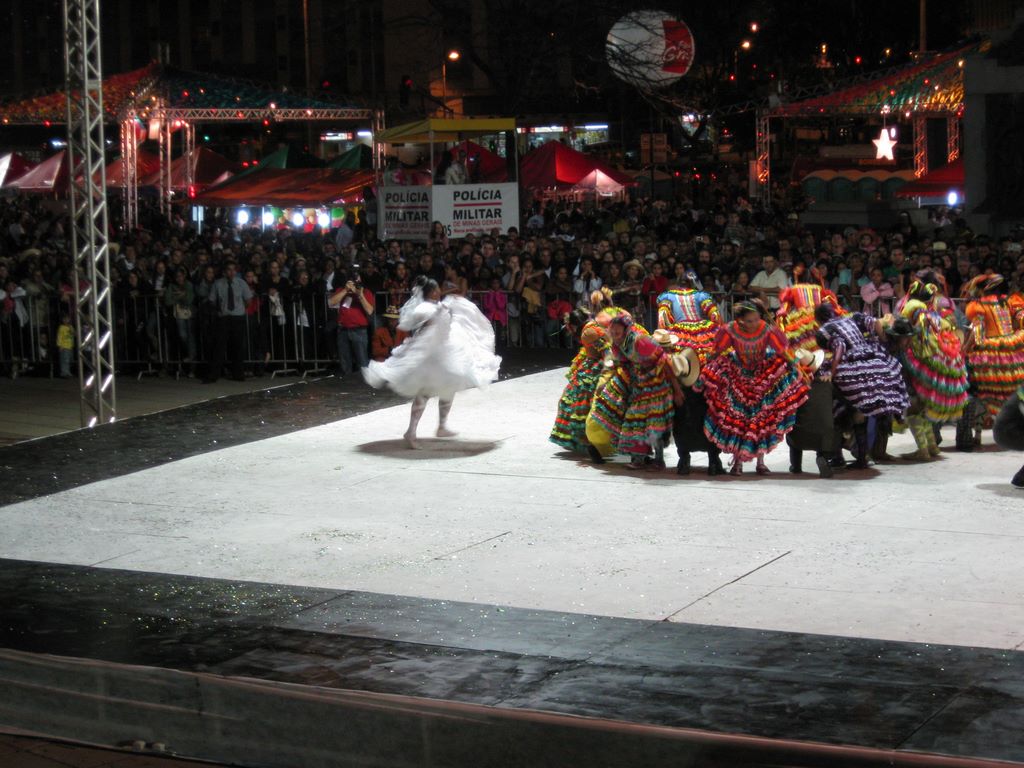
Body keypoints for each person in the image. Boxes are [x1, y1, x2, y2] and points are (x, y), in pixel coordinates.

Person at [363, 276, 501, 448]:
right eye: (437, 290)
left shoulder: (437, 305)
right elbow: (417, 325)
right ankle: (411, 432)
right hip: (431, 354)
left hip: (444, 352)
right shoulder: (425, 308)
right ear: (432, 292)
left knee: (449, 387)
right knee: (425, 392)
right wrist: (435, 316)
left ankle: (441, 426)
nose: (439, 292)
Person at [697, 301, 810, 475]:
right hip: (738, 375)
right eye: (750, 321)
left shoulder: (766, 329)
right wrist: (705, 367)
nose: (755, 323)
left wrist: (797, 368)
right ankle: (737, 462)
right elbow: (717, 350)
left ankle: (760, 462)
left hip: (762, 376)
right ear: (740, 320)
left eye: (757, 319)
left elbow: (782, 351)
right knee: (740, 420)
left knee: (761, 419)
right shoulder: (730, 330)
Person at [815, 303, 911, 467]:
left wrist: (831, 372)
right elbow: (874, 322)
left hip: (852, 370)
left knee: (838, 408)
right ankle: (861, 458)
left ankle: (838, 456)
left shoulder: (824, 331)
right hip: (874, 363)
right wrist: (882, 339)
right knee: (862, 412)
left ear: (818, 319)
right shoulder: (851, 318)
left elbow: (840, 346)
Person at [897, 278, 970, 461]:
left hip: (923, 364)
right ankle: (931, 446)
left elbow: (912, 332)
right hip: (940, 365)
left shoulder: (913, 308)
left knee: (914, 408)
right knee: (922, 407)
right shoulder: (934, 314)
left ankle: (923, 450)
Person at [550, 303, 611, 461]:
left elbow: (607, 351)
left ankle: (591, 444)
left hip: (595, 369)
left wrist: (608, 371)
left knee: (580, 405)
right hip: (593, 365)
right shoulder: (593, 326)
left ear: (574, 325)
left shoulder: (588, 331)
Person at [205, 260, 252, 382]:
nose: (231, 272)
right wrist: (219, 310)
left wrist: (240, 309)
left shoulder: (241, 283)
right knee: (219, 346)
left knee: (238, 346)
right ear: (225, 272)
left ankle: (238, 373)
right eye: (229, 270)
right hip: (224, 317)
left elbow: (248, 300)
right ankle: (214, 374)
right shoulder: (218, 284)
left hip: (238, 317)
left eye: (233, 270)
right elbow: (212, 300)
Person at [329, 271, 375, 375]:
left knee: (362, 361)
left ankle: (364, 381)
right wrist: (346, 290)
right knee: (345, 361)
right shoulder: (342, 290)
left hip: (359, 331)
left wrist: (360, 295)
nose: (355, 281)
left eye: (357, 278)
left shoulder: (366, 292)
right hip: (343, 330)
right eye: (353, 279)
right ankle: (347, 382)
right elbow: (331, 302)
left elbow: (370, 311)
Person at [56, 313, 74, 378]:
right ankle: (64, 373)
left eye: (67, 319)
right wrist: (59, 345)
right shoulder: (61, 328)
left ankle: (67, 372)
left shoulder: (70, 327)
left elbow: (74, 334)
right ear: (62, 320)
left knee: (69, 360)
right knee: (65, 360)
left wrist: (71, 330)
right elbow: (59, 337)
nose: (66, 320)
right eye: (65, 319)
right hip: (64, 346)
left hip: (70, 346)